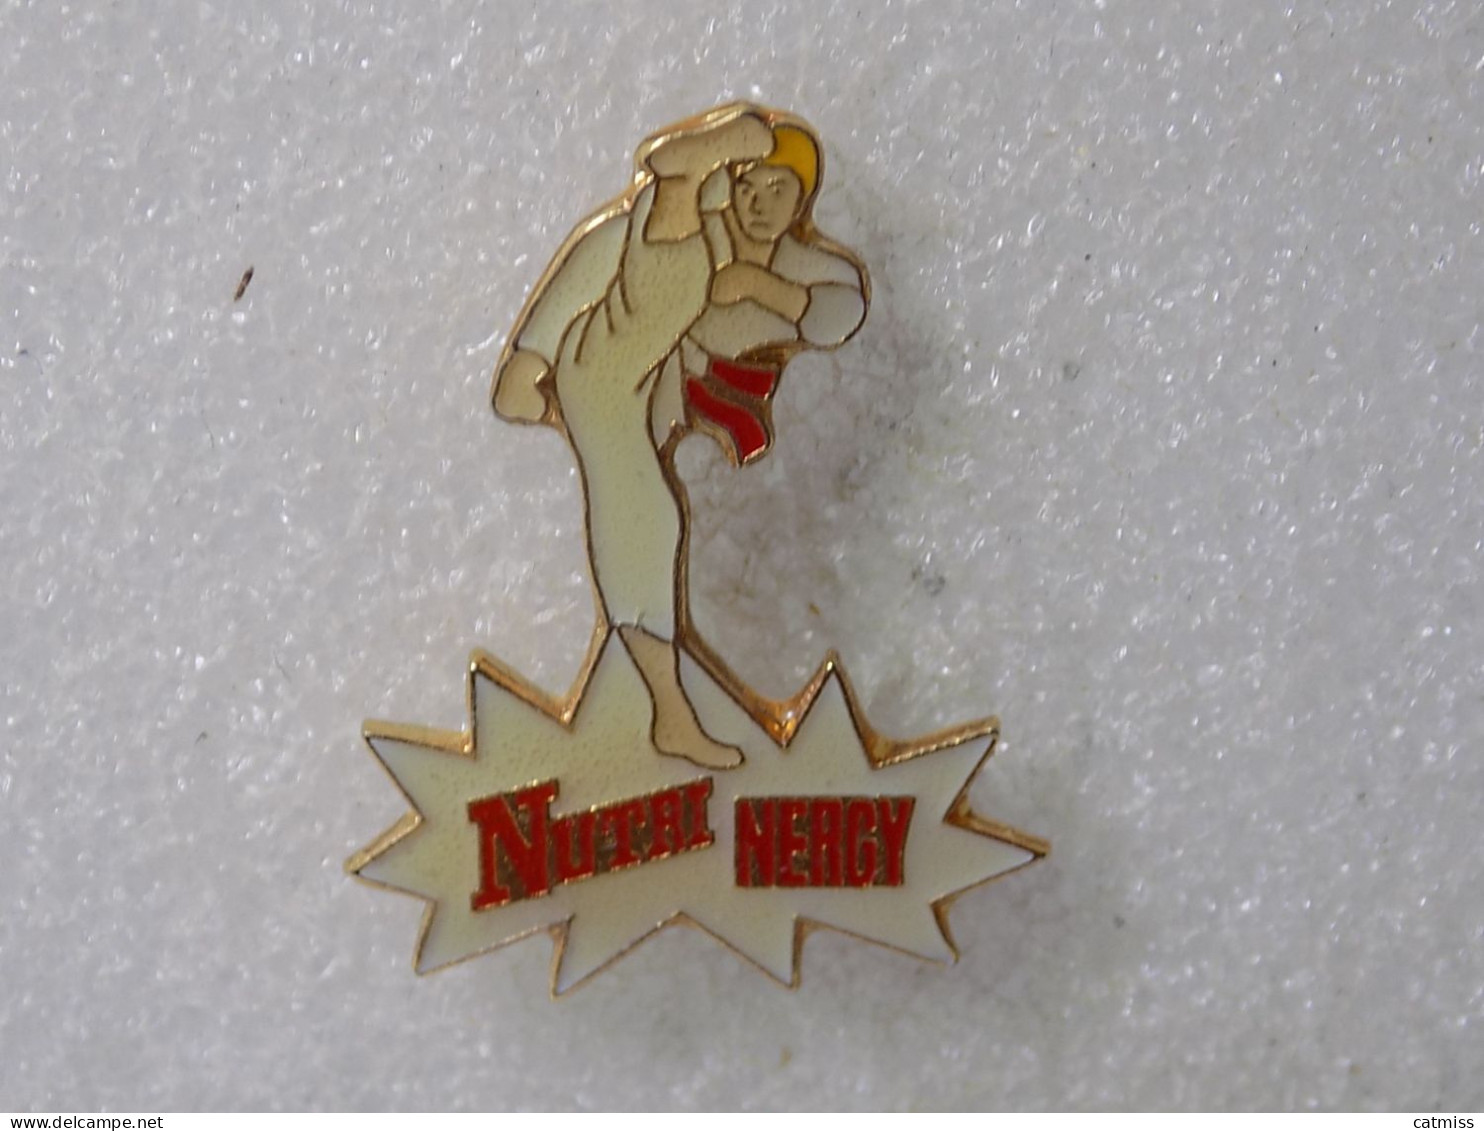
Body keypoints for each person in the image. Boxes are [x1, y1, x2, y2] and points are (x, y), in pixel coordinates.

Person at [491, 103, 868, 769]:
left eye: (778, 190)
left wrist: (758, 286)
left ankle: (666, 714)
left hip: (647, 390)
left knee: (649, 519)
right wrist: (531, 353)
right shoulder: (706, 233)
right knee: (647, 517)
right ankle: (669, 715)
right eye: (747, 187)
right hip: (606, 365)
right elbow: (597, 252)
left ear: (801, 201)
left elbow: (840, 313)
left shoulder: (803, 267)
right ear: (730, 188)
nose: (759, 204)